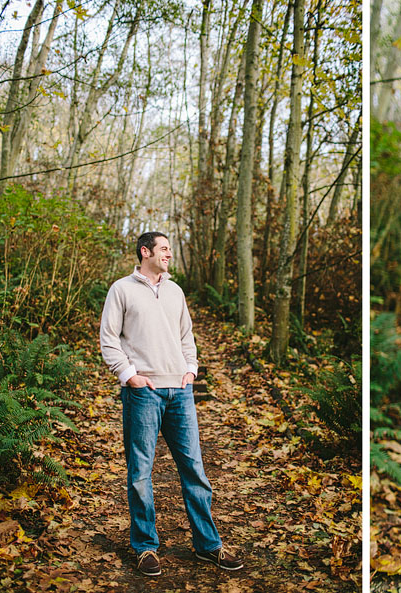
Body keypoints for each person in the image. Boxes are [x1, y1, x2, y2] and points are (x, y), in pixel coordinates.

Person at [100, 231, 243, 577]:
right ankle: (145, 548)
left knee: (194, 469)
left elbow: (186, 337)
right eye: (164, 249)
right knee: (140, 474)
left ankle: (209, 546)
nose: (169, 254)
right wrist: (130, 376)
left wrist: (190, 371)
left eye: (169, 250)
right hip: (143, 393)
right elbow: (108, 340)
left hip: (180, 394)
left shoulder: (176, 291)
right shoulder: (122, 289)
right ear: (145, 251)